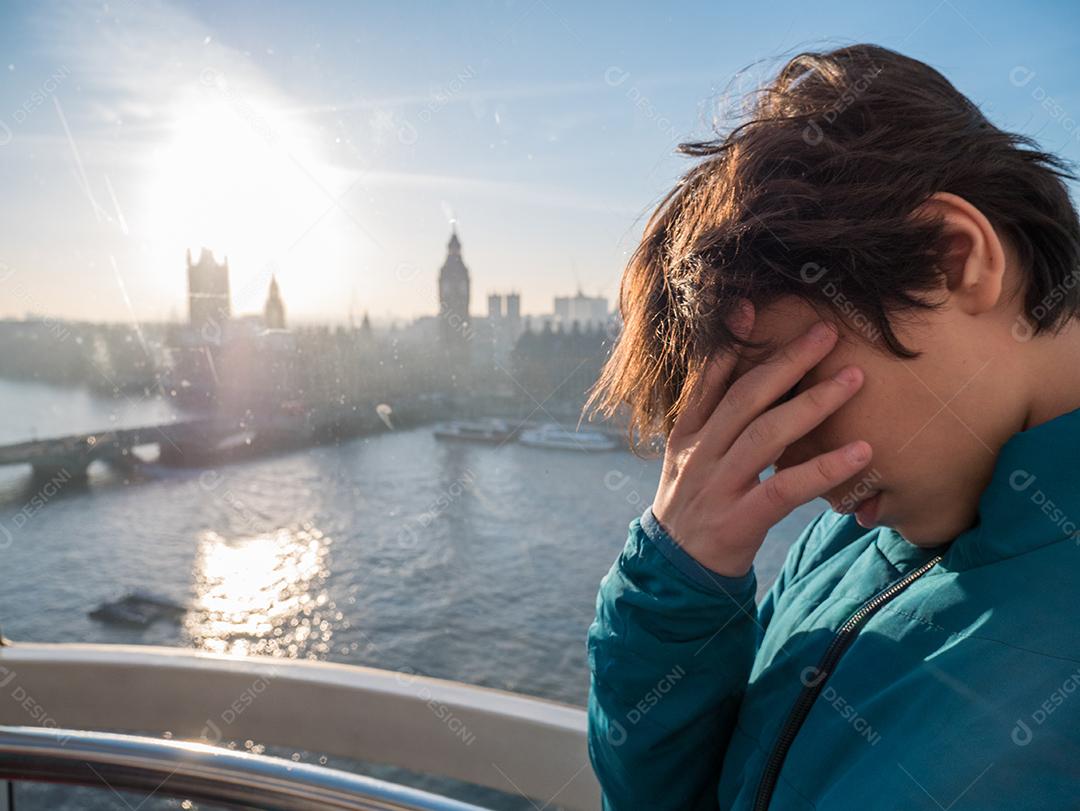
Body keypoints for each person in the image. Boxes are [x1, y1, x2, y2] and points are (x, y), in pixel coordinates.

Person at [586, 43, 1080, 810]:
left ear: (953, 259)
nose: (788, 465)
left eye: (800, 390)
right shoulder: (854, 538)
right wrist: (676, 591)